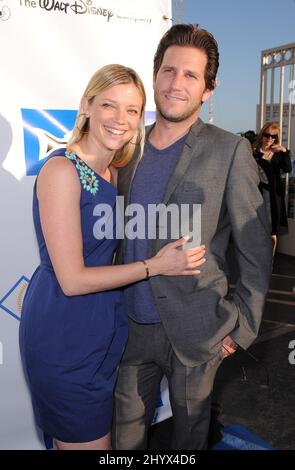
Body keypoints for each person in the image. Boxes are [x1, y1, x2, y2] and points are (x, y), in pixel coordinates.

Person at [19, 64, 206, 451]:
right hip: (65, 334)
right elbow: (72, 280)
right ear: (86, 106)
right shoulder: (61, 171)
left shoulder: (115, 171)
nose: (121, 120)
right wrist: (157, 266)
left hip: (105, 331)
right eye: (109, 105)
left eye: (133, 110)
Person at [112, 24, 273, 450]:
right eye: (168, 71)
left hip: (199, 331)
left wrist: (241, 328)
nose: (175, 84)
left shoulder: (230, 151)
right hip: (130, 328)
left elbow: (255, 249)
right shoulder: (127, 147)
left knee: (189, 444)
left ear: (208, 89)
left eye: (190, 75)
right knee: (123, 444)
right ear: (155, 75)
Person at [253, 122, 292, 254]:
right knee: (256, 227)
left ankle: (270, 260)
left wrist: (284, 151)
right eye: (267, 135)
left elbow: (287, 168)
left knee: (273, 229)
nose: (270, 139)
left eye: (273, 136)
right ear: (262, 135)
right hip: (256, 195)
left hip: (274, 196)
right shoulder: (253, 152)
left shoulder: (279, 154)